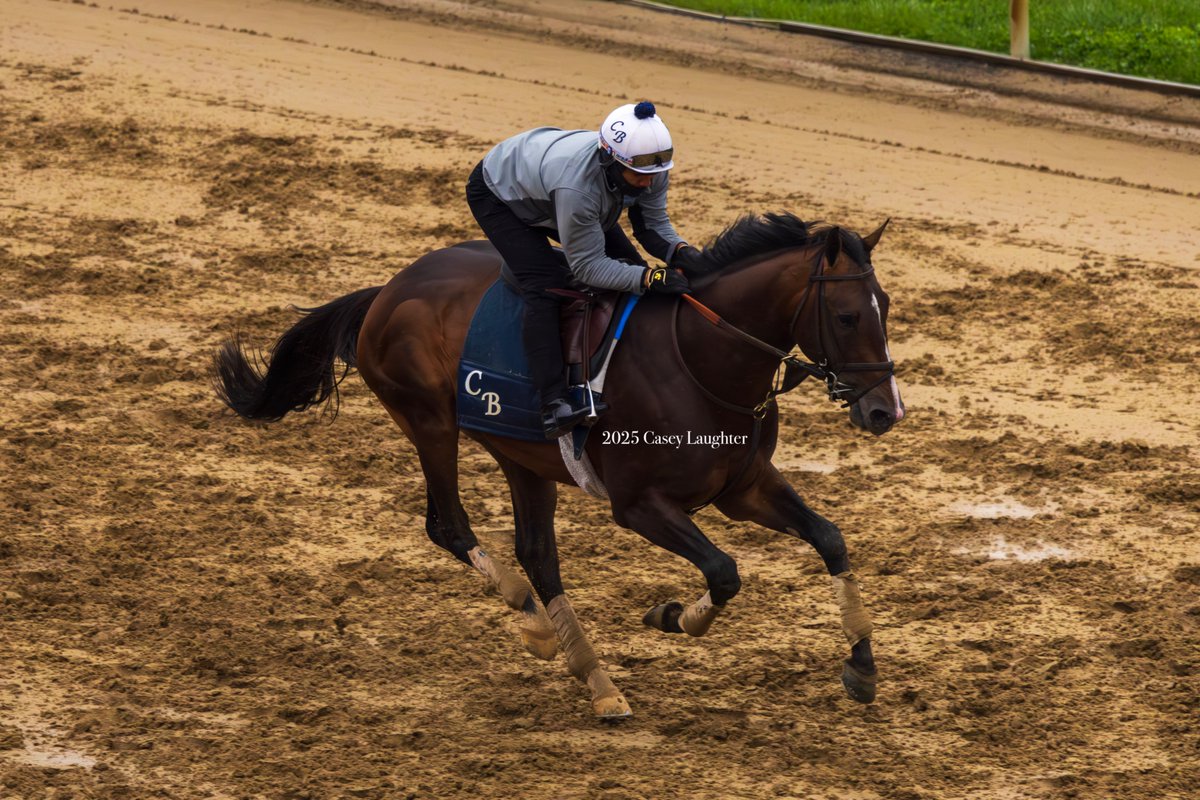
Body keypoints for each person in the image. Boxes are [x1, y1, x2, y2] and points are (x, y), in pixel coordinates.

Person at [466, 101, 699, 439]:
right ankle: (552, 403)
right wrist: (650, 277)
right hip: (501, 195)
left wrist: (683, 253)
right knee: (545, 284)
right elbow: (589, 267)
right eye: (639, 176)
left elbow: (651, 225)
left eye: (654, 176)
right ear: (610, 160)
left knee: (632, 267)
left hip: (560, 187)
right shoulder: (579, 191)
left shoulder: (650, 167)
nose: (647, 184)